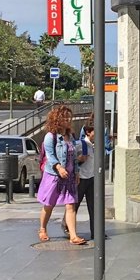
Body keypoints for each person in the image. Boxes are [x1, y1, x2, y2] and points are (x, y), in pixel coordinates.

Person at [37, 105, 87, 245]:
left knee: (71, 205)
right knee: (49, 204)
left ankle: (73, 236)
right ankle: (42, 229)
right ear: (57, 120)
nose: (68, 121)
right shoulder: (50, 137)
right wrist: (59, 168)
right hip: (54, 177)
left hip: (69, 177)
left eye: (69, 118)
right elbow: (50, 156)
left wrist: (76, 172)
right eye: (65, 118)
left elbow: (74, 157)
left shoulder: (70, 136)